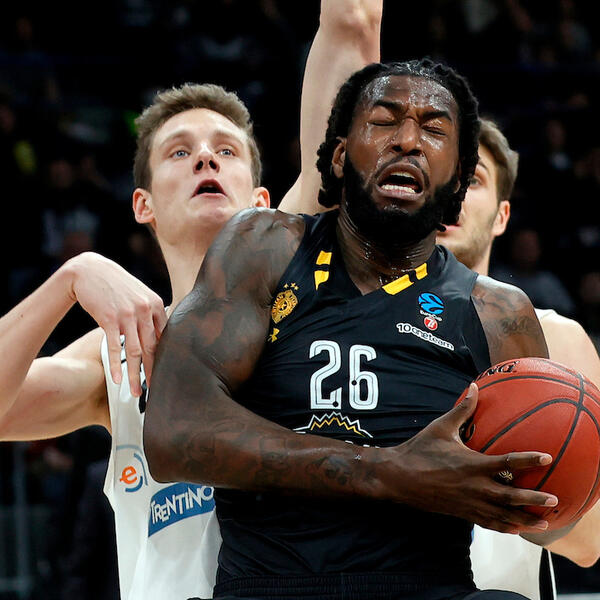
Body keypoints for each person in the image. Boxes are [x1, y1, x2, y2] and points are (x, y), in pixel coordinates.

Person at [145, 59, 573, 600]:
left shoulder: (498, 313)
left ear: (460, 176)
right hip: (271, 587)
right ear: (341, 155)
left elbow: (545, 515)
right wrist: (389, 472)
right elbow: (172, 432)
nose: (408, 141)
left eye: (434, 129)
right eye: (384, 121)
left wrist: (546, 490)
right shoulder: (265, 246)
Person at [0, 3, 384, 598]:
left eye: (226, 151)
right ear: (144, 205)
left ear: (261, 200)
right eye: (179, 152)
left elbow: (352, 23)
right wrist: (71, 277)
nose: (206, 157)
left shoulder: (306, 270)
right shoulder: (124, 351)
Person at [436, 118, 600, 600]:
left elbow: (591, 541)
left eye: (473, 180)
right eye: (442, 175)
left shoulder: (555, 336)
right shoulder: (364, 332)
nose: (454, 192)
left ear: (502, 216)